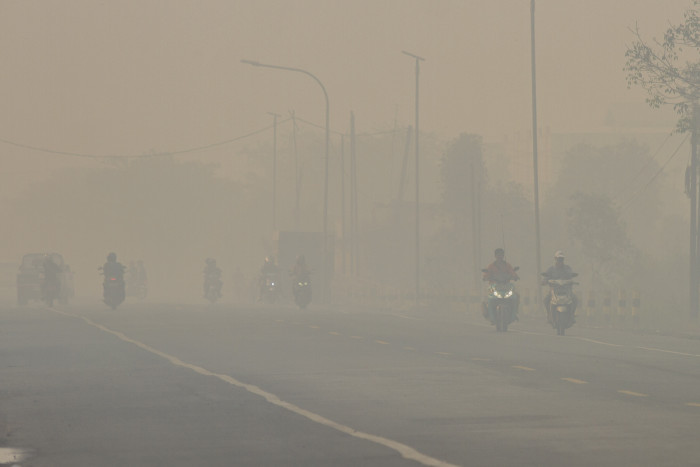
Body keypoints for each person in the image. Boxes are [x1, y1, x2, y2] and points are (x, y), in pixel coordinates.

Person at [482, 248, 520, 323]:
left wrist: (515, 276)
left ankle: (514, 314)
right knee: (490, 299)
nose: (500, 256)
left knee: (516, 296)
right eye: (498, 254)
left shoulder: (507, 265)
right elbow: (486, 274)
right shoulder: (491, 266)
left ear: (503, 255)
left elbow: (512, 272)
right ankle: (491, 316)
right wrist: (485, 277)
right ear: (495, 256)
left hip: (506, 286)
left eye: (501, 254)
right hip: (494, 286)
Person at [542, 250, 577, 324]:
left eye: (561, 259)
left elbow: (571, 275)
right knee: (546, 300)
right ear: (555, 259)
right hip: (554, 290)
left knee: (575, 299)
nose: (560, 261)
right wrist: (545, 281)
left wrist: (572, 280)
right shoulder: (551, 269)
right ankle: (549, 315)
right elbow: (546, 277)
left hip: (566, 290)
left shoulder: (567, 268)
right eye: (559, 259)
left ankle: (572, 315)